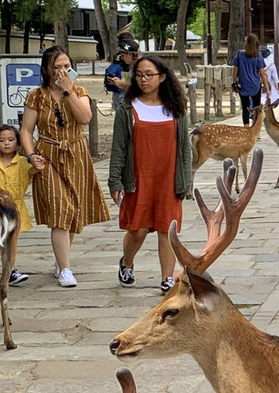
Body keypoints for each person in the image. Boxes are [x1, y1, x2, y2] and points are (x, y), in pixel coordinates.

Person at [20, 45, 109, 287]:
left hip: (75, 153)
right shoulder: (37, 96)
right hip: (48, 155)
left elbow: (85, 118)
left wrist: (68, 91)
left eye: (66, 66)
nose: (61, 71)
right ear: (47, 69)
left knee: (73, 211)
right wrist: (30, 154)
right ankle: (66, 269)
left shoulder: (78, 91)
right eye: (56, 67)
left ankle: (62, 261)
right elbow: (26, 130)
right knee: (60, 208)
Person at [108, 56, 193, 293]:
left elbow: (185, 148)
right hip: (138, 179)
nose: (143, 80)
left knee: (167, 229)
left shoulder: (176, 109)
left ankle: (167, 278)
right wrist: (115, 181)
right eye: (138, 75)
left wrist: (186, 180)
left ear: (162, 77)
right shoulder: (127, 108)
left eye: (148, 75)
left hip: (169, 179)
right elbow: (119, 148)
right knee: (138, 230)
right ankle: (127, 263)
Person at [0, 124, 35, 285]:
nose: (7, 143)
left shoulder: (22, 162)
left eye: (10, 140)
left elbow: (34, 170)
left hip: (15, 207)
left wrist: (37, 161)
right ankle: (7, 270)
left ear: (18, 142)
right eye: (2, 140)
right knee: (0, 240)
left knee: (10, 240)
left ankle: (8, 269)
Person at [232, 33, 268, 126]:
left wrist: (234, 81)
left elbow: (235, 69)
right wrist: (267, 88)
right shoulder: (258, 56)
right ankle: (255, 127)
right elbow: (262, 73)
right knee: (256, 107)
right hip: (255, 85)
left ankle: (246, 128)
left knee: (245, 108)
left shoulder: (239, 54)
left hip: (243, 85)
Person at [104, 40, 139, 112]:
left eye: (123, 56)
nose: (122, 58)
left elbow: (131, 86)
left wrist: (120, 83)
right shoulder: (131, 67)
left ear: (130, 54)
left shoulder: (138, 68)